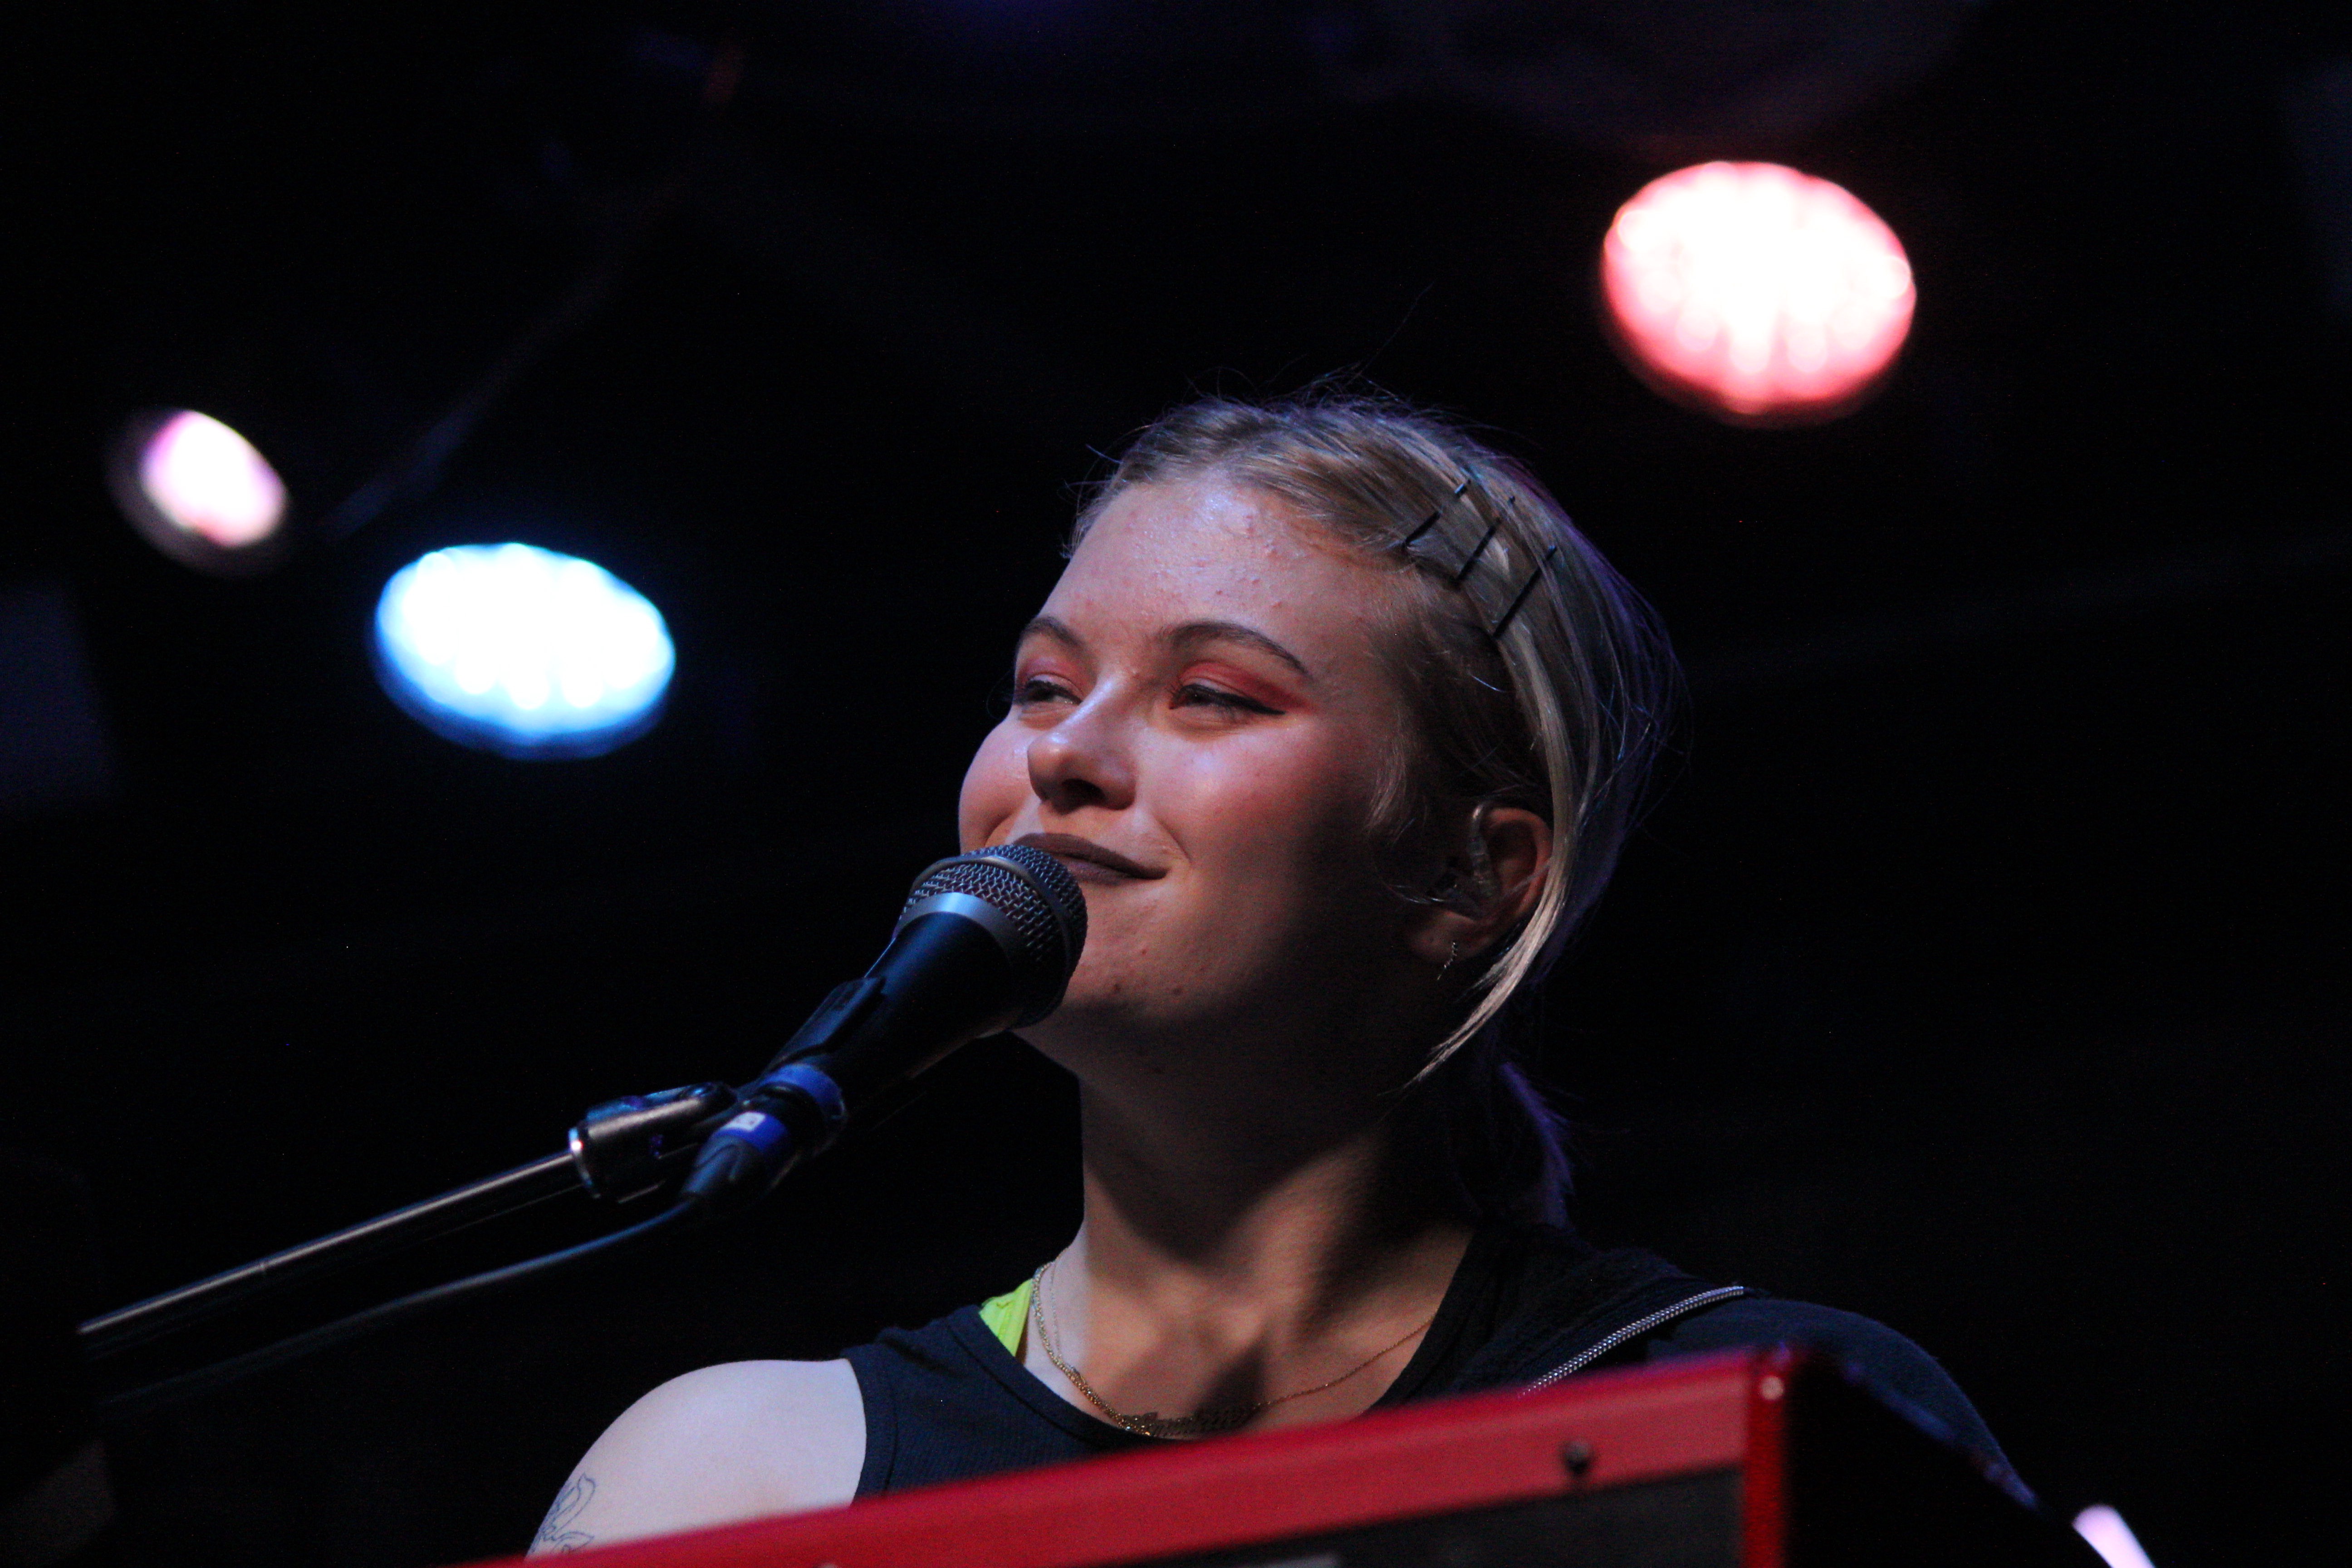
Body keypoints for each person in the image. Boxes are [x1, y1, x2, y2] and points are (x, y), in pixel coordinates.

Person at [529, 392, 2005, 1554]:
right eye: (1044, 685)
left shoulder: (1770, 1409)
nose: (1064, 752)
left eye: (1214, 696)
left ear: (1479, 873)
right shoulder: (732, 1480)